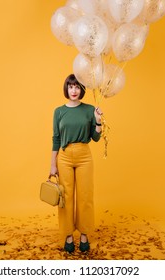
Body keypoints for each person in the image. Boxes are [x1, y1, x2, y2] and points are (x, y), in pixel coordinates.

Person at [50, 74, 103, 253]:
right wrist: (53, 164)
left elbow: (95, 138)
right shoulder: (58, 111)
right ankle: (68, 235)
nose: (74, 90)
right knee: (65, 197)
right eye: (71, 86)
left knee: (85, 196)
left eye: (77, 87)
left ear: (82, 90)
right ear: (67, 89)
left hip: (84, 155)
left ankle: (84, 235)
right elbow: (56, 138)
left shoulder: (89, 109)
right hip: (64, 157)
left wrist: (98, 121)